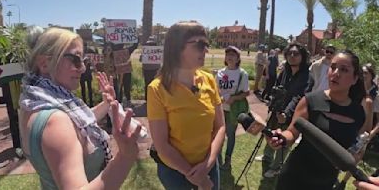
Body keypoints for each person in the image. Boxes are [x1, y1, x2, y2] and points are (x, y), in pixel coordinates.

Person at [19, 27, 141, 190]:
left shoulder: (33, 101)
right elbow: (64, 126)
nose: (83, 68)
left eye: (83, 61)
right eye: (75, 60)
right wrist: (125, 157)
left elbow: (76, 124)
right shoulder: (55, 122)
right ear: (45, 64)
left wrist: (106, 104)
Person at [267, 50, 370, 189]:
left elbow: (358, 146)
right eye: (333, 67)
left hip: (326, 181)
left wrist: (353, 159)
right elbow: (292, 132)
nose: (335, 73)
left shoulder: (358, 112)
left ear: (355, 79)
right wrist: (281, 138)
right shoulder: (310, 100)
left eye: (344, 70)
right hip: (295, 175)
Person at [147, 21, 225, 190]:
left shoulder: (209, 79)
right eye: (200, 44)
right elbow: (162, 145)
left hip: (209, 166)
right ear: (177, 48)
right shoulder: (157, 89)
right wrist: (196, 177)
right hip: (175, 172)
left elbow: (220, 127)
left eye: (206, 44)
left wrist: (208, 164)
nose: (206, 50)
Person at [256, 43, 309, 178]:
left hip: (292, 113)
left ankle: (276, 167)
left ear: (302, 57)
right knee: (269, 132)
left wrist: (286, 113)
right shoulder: (285, 71)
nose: (292, 56)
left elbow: (299, 96)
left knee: (283, 139)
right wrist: (273, 103)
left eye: (296, 54)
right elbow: (277, 87)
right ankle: (267, 156)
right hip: (277, 109)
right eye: (290, 53)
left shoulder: (306, 76)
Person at [215, 45, 250, 170]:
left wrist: (233, 98)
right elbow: (215, 91)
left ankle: (227, 160)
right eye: (227, 54)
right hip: (220, 109)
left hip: (233, 111)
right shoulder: (219, 73)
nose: (229, 57)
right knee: (218, 134)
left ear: (237, 58)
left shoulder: (242, 74)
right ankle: (217, 159)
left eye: (233, 55)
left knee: (230, 135)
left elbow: (247, 92)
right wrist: (219, 98)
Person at [80, 42, 95, 107]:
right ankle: (84, 102)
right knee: (83, 89)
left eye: (85, 46)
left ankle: (91, 102)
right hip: (82, 74)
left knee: (90, 88)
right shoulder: (79, 53)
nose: (85, 47)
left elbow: (94, 55)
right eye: (84, 46)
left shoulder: (89, 52)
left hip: (88, 73)